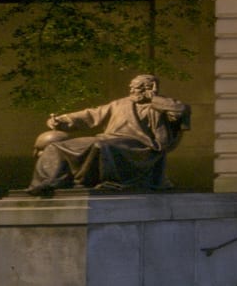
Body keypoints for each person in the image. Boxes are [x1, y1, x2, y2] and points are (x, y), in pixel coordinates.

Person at [25, 74, 191, 195]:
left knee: (101, 146)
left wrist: (155, 99)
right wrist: (63, 120)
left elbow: (180, 110)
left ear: (149, 88)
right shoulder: (120, 104)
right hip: (110, 139)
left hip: (140, 146)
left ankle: (109, 182)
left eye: (137, 87)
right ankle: (49, 181)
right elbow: (92, 115)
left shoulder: (160, 106)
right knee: (57, 146)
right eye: (131, 87)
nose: (132, 90)